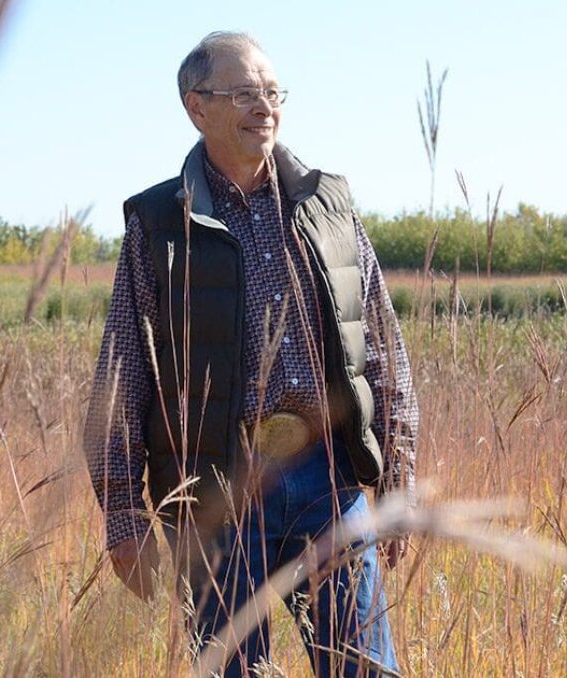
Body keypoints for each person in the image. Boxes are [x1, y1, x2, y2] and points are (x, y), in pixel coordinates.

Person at [82, 30, 418, 677]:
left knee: (365, 669)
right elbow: (122, 372)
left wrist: (397, 474)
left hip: (330, 481)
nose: (264, 106)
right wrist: (123, 511)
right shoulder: (158, 224)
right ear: (196, 106)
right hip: (217, 491)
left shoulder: (329, 206)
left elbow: (381, 344)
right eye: (244, 93)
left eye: (271, 91)